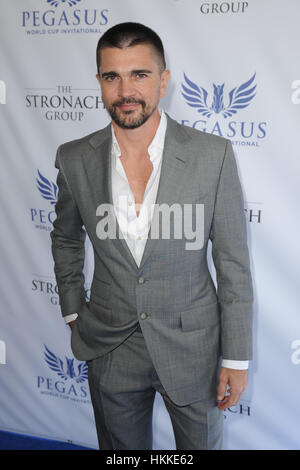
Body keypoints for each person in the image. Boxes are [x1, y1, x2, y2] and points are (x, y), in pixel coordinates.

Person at [51, 22, 253, 450]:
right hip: (110, 343)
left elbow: (232, 262)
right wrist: (73, 309)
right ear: (101, 83)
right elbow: (66, 237)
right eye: (112, 76)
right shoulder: (73, 159)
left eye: (139, 74)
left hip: (191, 345)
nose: (126, 90)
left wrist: (235, 356)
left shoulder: (212, 156)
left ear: (163, 80)